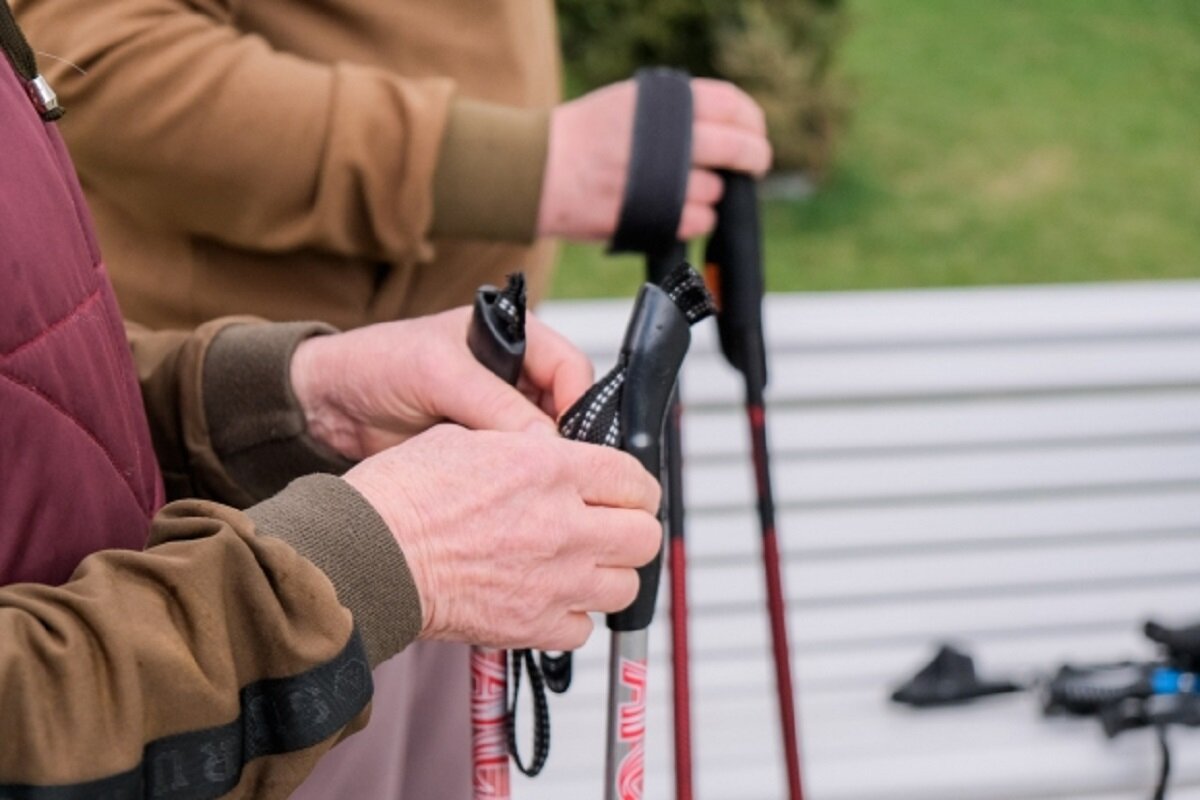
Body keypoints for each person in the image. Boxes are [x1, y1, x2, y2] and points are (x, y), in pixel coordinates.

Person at [12, 2, 771, 794]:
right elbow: (102, 49)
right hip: (244, 559)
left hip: (405, 484)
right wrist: (522, 166)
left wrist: (291, 393)